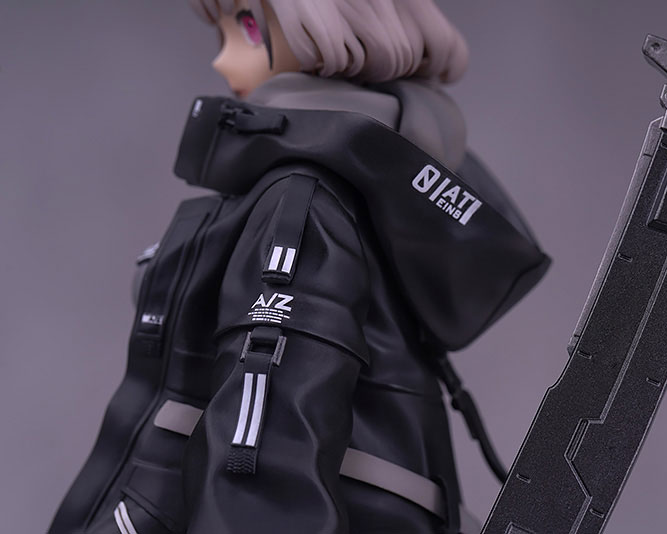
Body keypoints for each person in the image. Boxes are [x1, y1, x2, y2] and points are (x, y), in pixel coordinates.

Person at [48, 1, 549, 533]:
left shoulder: (305, 196)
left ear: (332, 32)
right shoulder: (367, 186)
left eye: (246, 27)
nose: (222, 60)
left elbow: (268, 436)